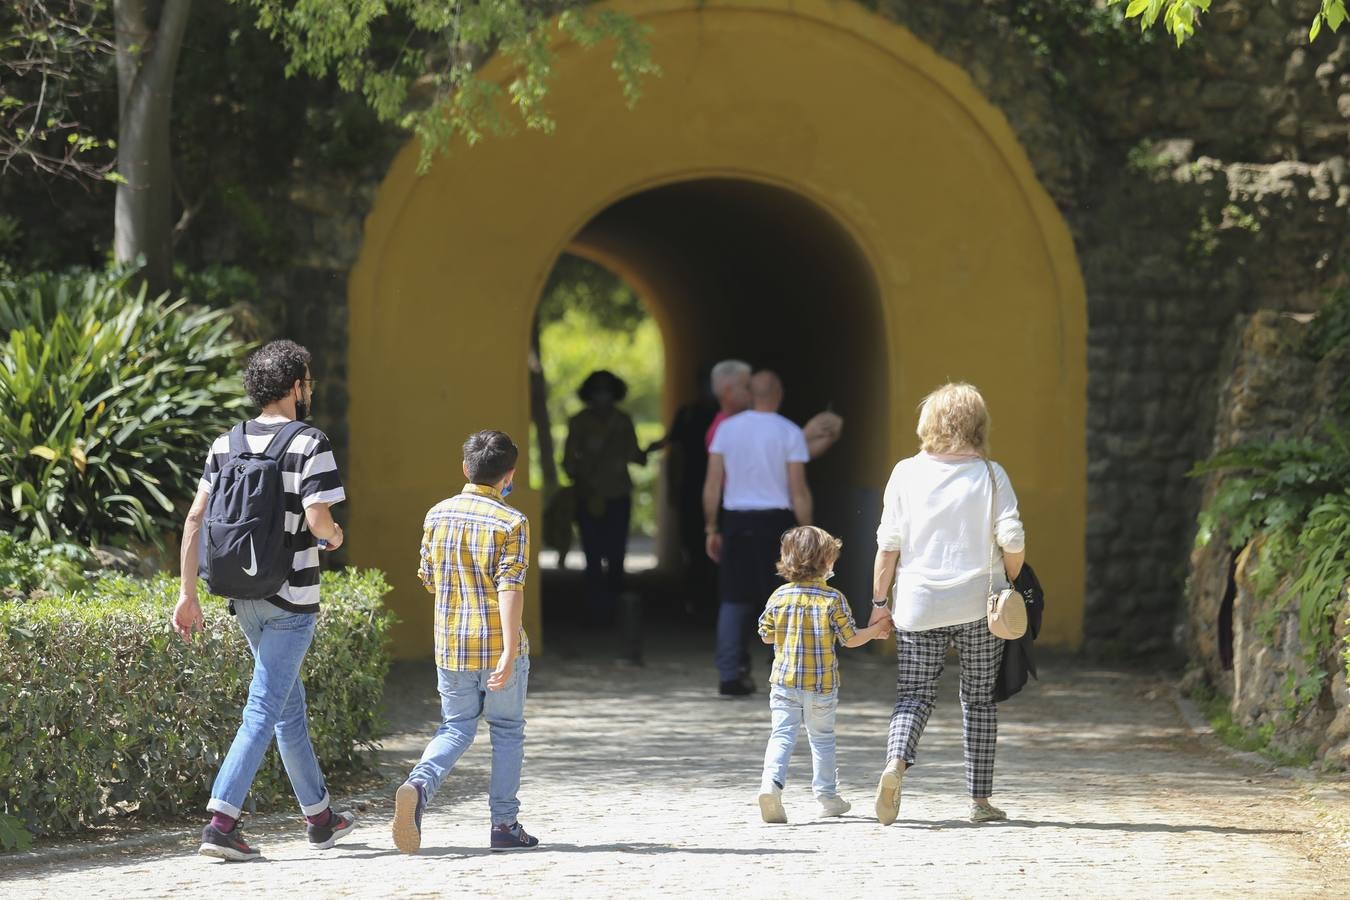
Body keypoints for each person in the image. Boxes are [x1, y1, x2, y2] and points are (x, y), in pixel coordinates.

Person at [172, 339, 354, 862]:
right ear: (296, 386)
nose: (310, 389)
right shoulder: (309, 442)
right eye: (308, 380)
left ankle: (320, 819)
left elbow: (194, 520)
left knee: (285, 709)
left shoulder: (225, 443)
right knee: (263, 708)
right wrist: (335, 537)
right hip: (292, 599)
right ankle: (221, 822)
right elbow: (320, 522)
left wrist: (188, 594)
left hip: (242, 596)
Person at [867, 382, 1025, 826]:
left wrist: (880, 603)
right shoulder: (992, 475)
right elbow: (1012, 538)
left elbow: (887, 547)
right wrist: (1013, 575)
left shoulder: (904, 473)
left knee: (914, 697)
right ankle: (979, 801)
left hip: (919, 604)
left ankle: (896, 764)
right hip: (980, 606)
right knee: (978, 701)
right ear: (978, 424)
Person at [392, 430, 539, 854]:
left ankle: (418, 786)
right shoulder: (511, 521)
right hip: (496, 645)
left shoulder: (436, 514)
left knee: (455, 727)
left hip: (451, 645)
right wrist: (510, 650)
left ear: (464, 469)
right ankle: (504, 826)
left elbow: (429, 579)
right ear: (509, 474)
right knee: (507, 730)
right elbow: (511, 587)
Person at [756, 526, 892, 823]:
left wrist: (789, 634)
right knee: (822, 739)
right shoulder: (833, 599)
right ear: (826, 561)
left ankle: (771, 786)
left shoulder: (779, 596)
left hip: (783, 684)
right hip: (821, 687)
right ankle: (827, 797)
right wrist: (876, 631)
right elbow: (850, 638)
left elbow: (766, 636)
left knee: (781, 736)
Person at [704, 370, 812, 697]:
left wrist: (711, 526)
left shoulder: (726, 429)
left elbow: (712, 485)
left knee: (733, 599)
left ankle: (729, 674)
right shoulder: (789, 432)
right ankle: (785, 669)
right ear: (778, 392)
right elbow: (799, 490)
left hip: (736, 519)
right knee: (783, 598)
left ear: (750, 393)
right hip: (776, 523)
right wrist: (808, 531)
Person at [562, 370, 648, 625]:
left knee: (617, 553)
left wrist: (645, 452)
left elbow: (635, 455)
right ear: (589, 395)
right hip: (589, 496)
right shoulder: (579, 422)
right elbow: (568, 462)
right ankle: (595, 609)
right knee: (592, 553)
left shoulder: (623, 420)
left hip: (618, 494)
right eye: (598, 391)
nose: (603, 397)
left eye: (607, 391)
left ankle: (615, 609)